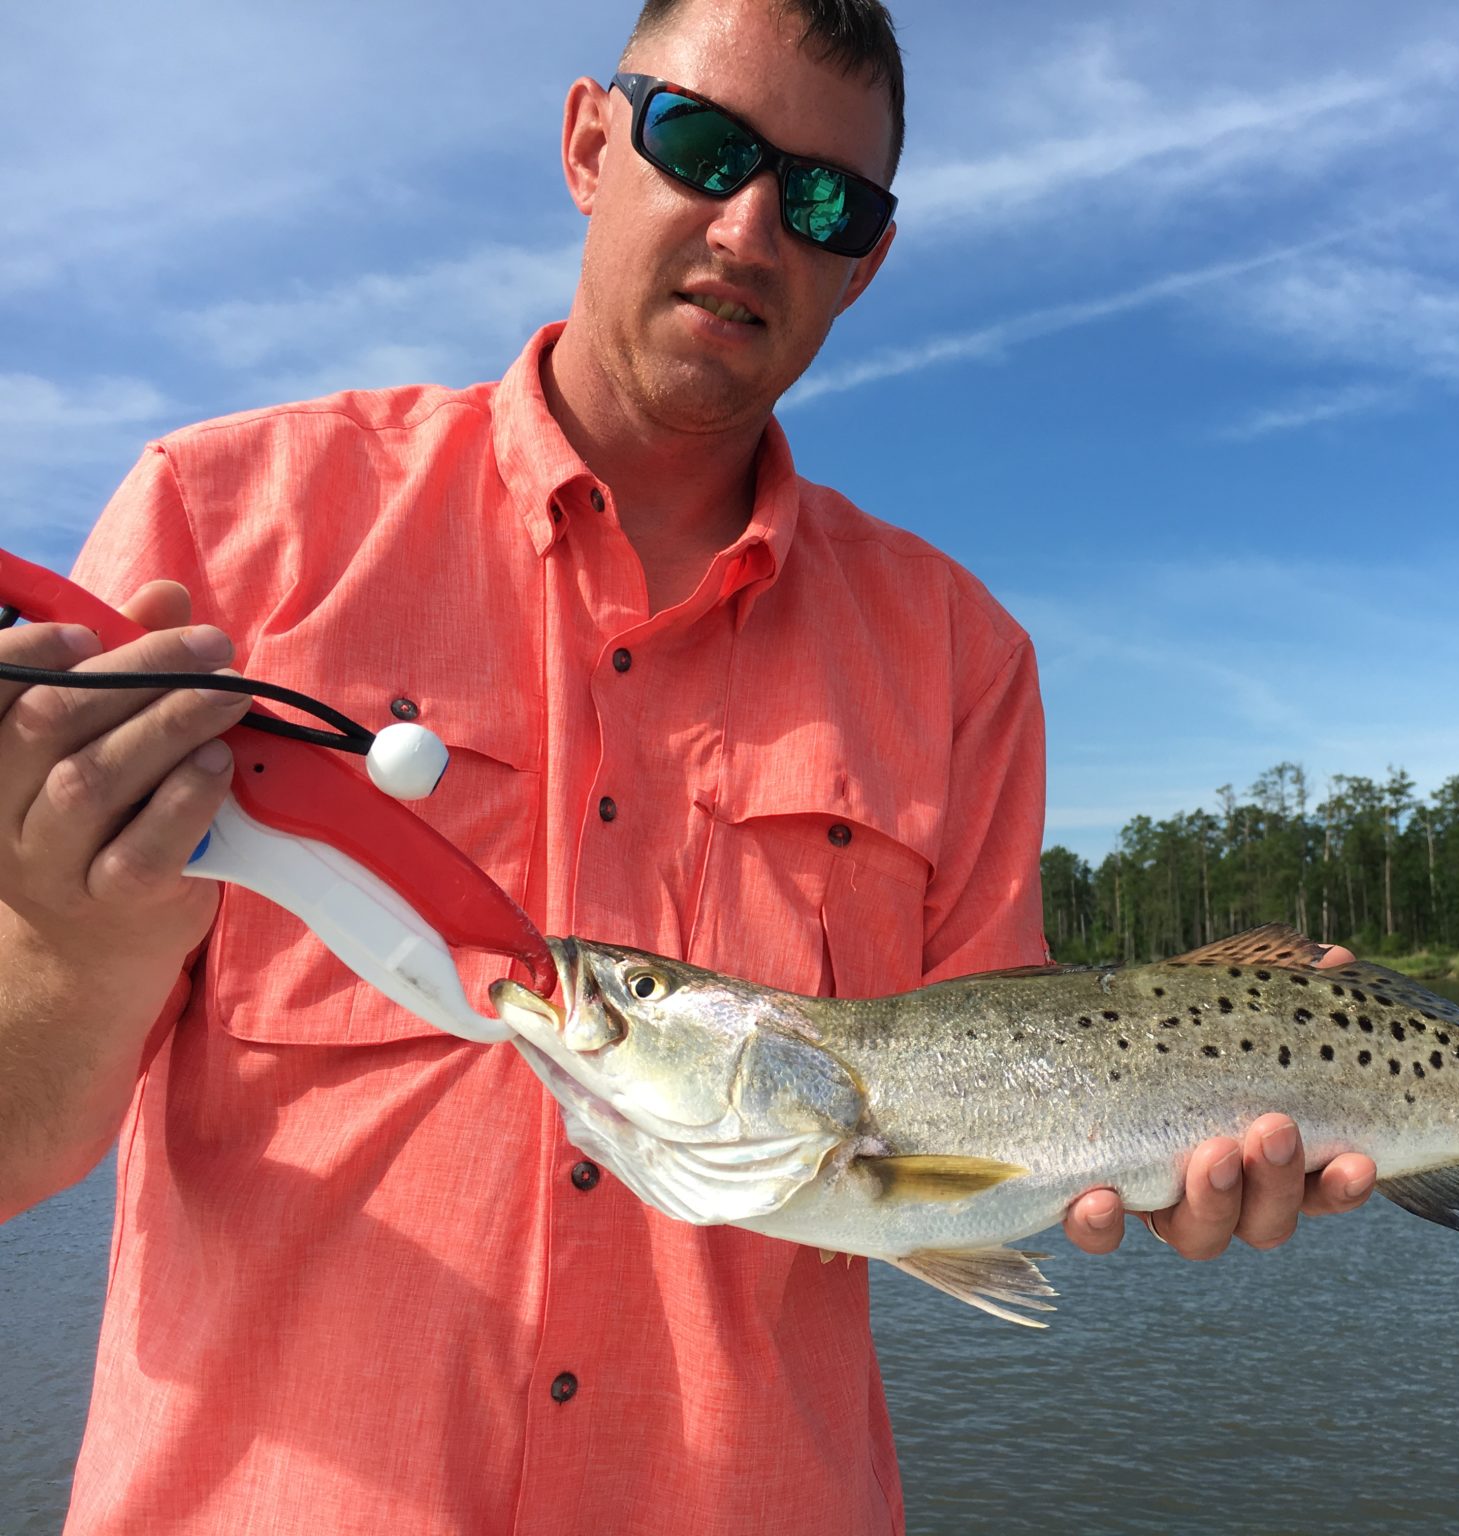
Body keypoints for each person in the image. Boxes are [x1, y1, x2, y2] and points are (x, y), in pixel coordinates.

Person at [0, 2, 1376, 1530]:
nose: (749, 225)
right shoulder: (217, 526)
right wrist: (71, 936)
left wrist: (1204, 1130)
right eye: (701, 143)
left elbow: (1011, 1114)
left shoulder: (963, 655)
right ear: (591, 140)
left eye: (825, 200)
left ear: (868, 261)